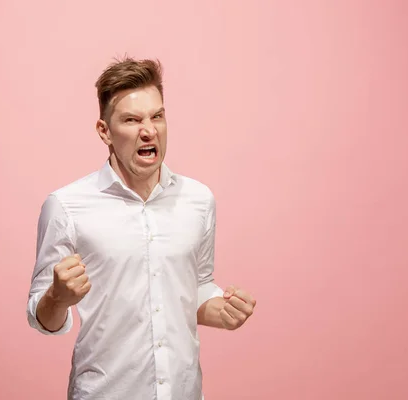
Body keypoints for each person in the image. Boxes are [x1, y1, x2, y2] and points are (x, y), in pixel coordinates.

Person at [27, 57, 256, 400]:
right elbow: (42, 317)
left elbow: (195, 288)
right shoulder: (66, 206)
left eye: (157, 116)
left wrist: (219, 308)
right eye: (132, 120)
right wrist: (57, 297)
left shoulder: (198, 200)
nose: (149, 130)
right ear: (104, 131)